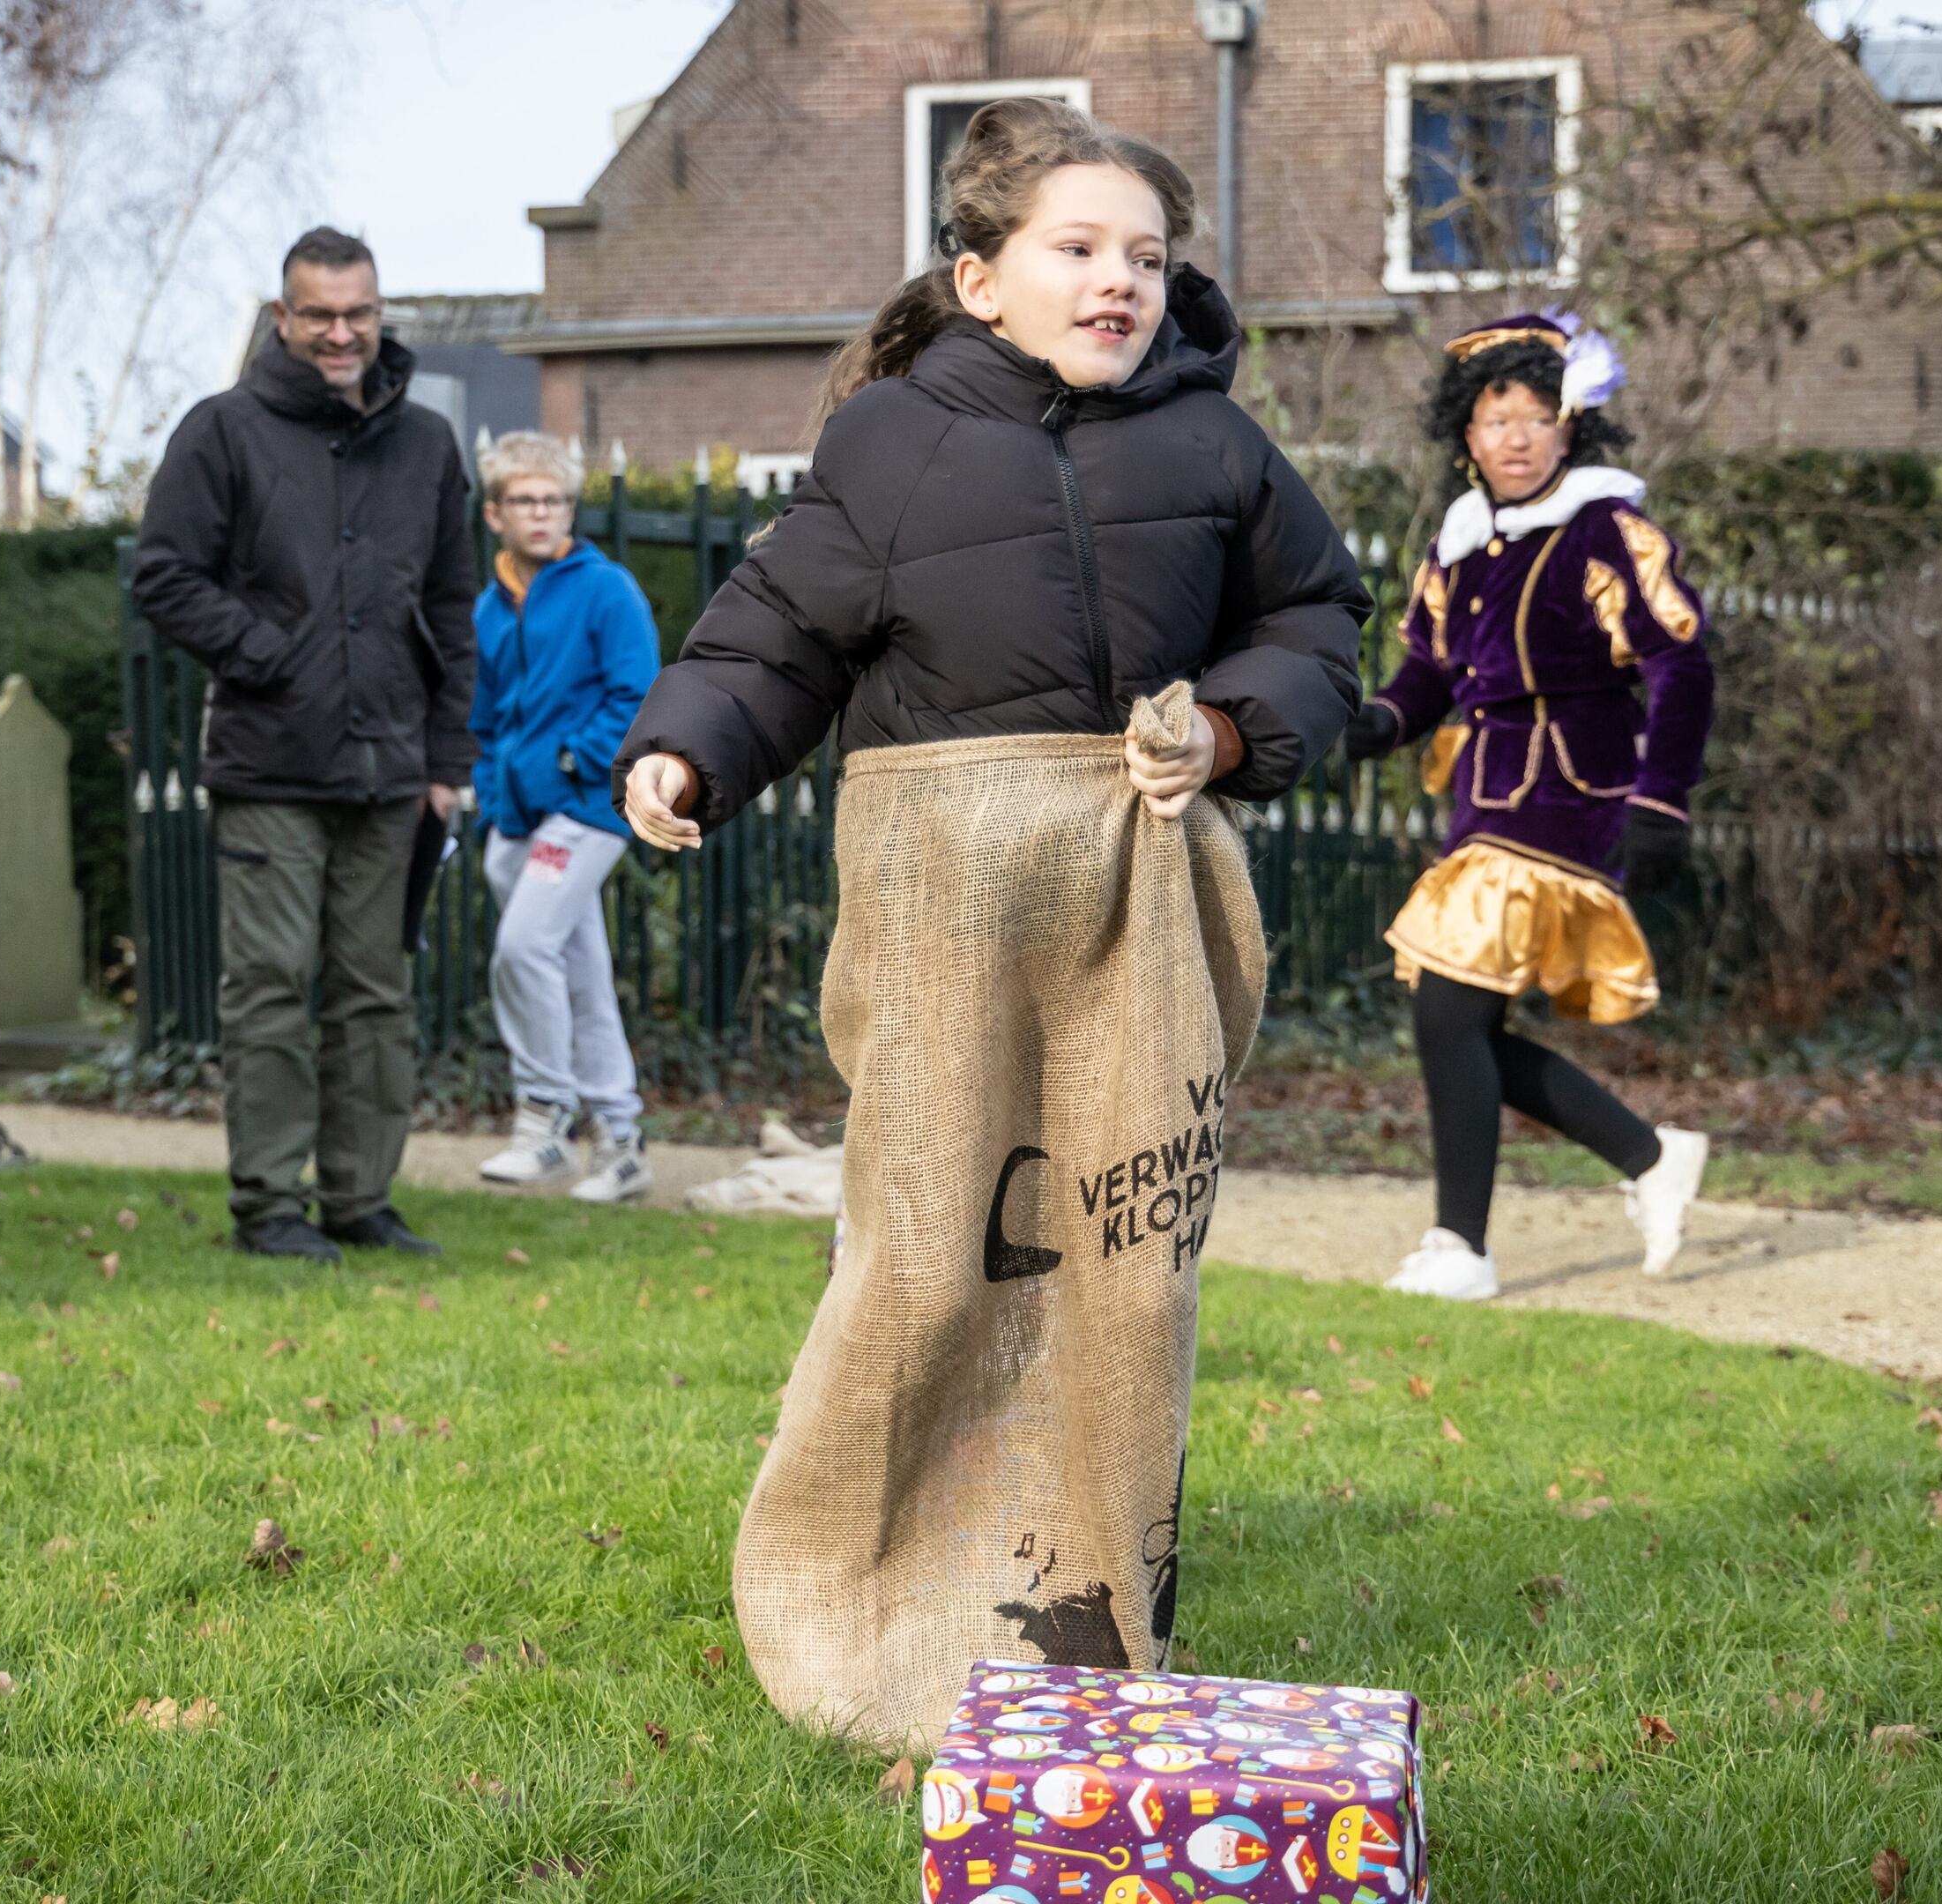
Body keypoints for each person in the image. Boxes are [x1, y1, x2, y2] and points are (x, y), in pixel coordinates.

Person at [617, 98, 1369, 1733]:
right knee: (930, 1257)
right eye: (1078, 248)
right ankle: (861, 1605)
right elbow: (775, 634)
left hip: (1135, 905)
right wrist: (687, 748)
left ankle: (1092, 1610)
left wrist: (1226, 729)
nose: (1121, 282)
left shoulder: (1217, 446)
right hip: (945, 907)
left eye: (1147, 257)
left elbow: (1318, 618)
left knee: (1128, 1272)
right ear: (979, 280)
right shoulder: (892, 444)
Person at [1342, 312, 1716, 1302]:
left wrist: (1664, 798)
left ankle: (1462, 1248)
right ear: (1465, 434)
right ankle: (1648, 1158)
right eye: (1494, 417)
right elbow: (1430, 670)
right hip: (1484, 799)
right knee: (1458, 1021)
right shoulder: (1460, 545)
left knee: (1448, 1008)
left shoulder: (1605, 530)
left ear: (1568, 426)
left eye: (1535, 416)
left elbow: (1681, 663)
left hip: (1571, 795)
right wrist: (1383, 720)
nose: (1515, 436)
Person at [135, 227, 477, 1264]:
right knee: (272, 985)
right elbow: (163, 575)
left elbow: (452, 607)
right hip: (270, 762)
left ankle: (361, 1200)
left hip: (392, 769)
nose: (340, 333)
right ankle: (270, 1205)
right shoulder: (222, 431)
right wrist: (270, 654)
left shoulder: (428, 445)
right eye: (319, 314)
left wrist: (447, 763)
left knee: (375, 993)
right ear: (283, 317)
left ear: (380, 314)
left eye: (357, 313)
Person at [466, 431, 661, 1201]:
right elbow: (487, 715)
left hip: (584, 810)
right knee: (577, 974)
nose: (542, 513)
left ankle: (545, 1120)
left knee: (521, 951)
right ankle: (621, 1142)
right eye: (525, 501)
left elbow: (638, 693)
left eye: (554, 500)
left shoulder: (606, 589)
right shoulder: (491, 606)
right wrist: (493, 786)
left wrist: (570, 763)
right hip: (514, 818)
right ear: (495, 514)